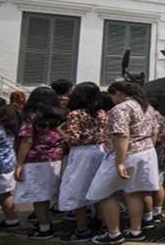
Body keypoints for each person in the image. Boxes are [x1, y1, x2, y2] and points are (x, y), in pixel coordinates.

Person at [86, 81, 159, 244]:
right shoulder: (147, 107)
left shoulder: (121, 108)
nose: (111, 99)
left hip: (126, 153)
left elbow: (122, 135)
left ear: (118, 93)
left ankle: (114, 233)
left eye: (112, 95)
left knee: (102, 192)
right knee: (134, 192)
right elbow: (155, 131)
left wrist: (119, 162)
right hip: (146, 151)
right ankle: (135, 231)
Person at [57, 82, 108, 242]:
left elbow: (74, 138)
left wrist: (61, 132)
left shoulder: (75, 114)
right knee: (99, 190)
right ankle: (104, 225)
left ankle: (82, 229)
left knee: (77, 189)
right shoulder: (102, 113)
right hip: (100, 150)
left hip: (81, 153)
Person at [13, 86, 66, 239]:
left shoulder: (32, 116)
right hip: (57, 158)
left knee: (39, 196)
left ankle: (44, 228)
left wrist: (19, 163)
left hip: (37, 158)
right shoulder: (61, 115)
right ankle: (47, 222)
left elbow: (27, 139)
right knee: (50, 193)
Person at [142, 100, 165, 227]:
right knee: (159, 184)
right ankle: (157, 212)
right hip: (163, 155)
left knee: (146, 187)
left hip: (150, 155)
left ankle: (147, 216)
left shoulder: (147, 120)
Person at [0, 104, 20, 230]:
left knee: (3, 195)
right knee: (4, 193)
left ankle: (12, 220)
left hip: (0, 165)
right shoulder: (9, 127)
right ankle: (11, 219)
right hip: (8, 162)